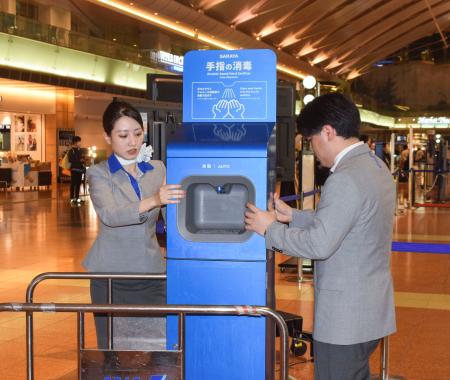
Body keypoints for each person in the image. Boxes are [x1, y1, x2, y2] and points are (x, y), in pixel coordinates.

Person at [245, 93, 396, 380]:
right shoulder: (375, 167)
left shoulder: (345, 177)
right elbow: (352, 220)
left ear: (328, 132)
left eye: (311, 141)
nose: (313, 150)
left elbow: (319, 244)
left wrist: (269, 229)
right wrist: (293, 216)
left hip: (345, 320)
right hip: (370, 310)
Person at [83, 100, 185, 349]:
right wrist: (153, 200)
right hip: (111, 277)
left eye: (138, 134)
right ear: (107, 136)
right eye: (123, 135)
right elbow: (110, 214)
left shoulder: (157, 169)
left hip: (151, 273)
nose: (132, 142)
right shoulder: (98, 174)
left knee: (160, 347)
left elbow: (174, 217)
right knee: (114, 352)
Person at [67, 135, 85, 205]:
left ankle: (77, 197)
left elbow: (82, 159)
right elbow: (70, 160)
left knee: (78, 184)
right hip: (74, 169)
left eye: (80, 142)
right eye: (79, 142)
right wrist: (79, 160)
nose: (80, 143)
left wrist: (83, 161)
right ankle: (71, 198)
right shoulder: (71, 150)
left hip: (79, 170)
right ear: (75, 142)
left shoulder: (79, 150)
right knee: (73, 184)